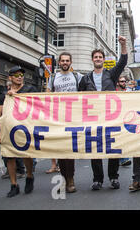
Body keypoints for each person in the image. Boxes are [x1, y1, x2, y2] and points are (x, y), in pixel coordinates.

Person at [78, 36, 128, 189]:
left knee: (112, 147)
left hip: (110, 117)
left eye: (100, 57)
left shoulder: (111, 74)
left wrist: (124, 45)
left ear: (103, 60)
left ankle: (113, 177)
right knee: (96, 148)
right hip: (93, 119)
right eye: (96, 57)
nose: (98, 59)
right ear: (92, 60)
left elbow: (123, 61)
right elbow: (79, 98)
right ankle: (97, 179)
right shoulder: (85, 78)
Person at [0, 66, 38, 197]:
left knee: (26, 155)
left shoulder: (30, 90)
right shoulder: (3, 95)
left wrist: (17, 97)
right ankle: (14, 185)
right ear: (10, 78)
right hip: (8, 129)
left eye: (21, 75)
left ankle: (29, 176)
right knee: (9, 156)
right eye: (16, 75)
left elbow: (37, 106)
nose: (19, 77)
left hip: (25, 128)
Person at [46, 52, 83, 192]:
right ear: (59, 63)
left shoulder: (77, 76)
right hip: (58, 118)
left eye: (67, 60)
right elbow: (47, 95)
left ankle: (71, 179)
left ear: (71, 62)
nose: (65, 63)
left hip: (73, 118)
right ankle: (64, 177)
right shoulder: (53, 77)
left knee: (69, 150)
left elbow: (87, 92)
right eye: (63, 61)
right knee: (60, 149)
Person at [116, 76, 132, 167]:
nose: (124, 83)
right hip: (116, 120)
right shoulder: (112, 92)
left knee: (124, 140)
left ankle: (123, 158)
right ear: (117, 83)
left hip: (126, 119)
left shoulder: (128, 92)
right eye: (122, 81)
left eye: (125, 81)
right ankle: (122, 159)